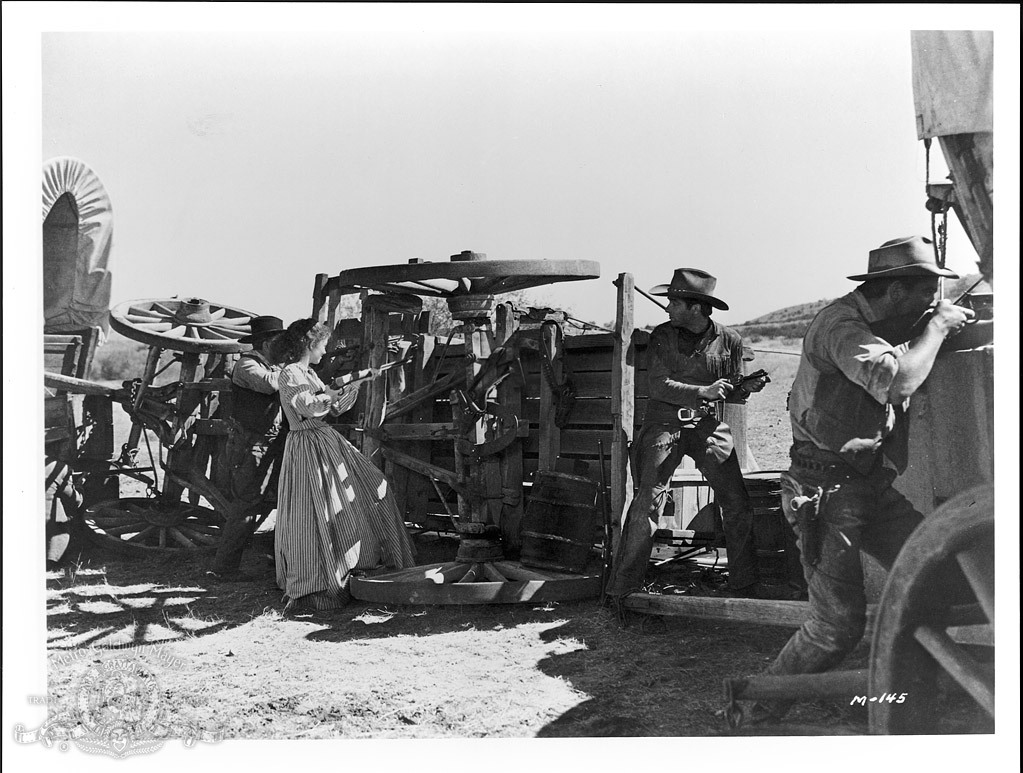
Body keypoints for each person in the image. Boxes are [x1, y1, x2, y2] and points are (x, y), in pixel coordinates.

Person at [749, 236, 974, 723]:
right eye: (925, 295)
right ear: (894, 292)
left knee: (934, 582)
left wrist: (933, 326)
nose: (932, 304)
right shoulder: (842, 327)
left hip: (868, 485)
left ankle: (898, 700)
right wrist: (936, 327)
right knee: (835, 626)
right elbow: (896, 383)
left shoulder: (886, 323)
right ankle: (752, 710)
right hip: (824, 490)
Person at [605, 268, 778, 618]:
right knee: (647, 504)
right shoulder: (662, 337)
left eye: (674, 301)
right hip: (664, 425)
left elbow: (731, 392)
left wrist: (745, 388)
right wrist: (703, 391)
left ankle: (744, 584)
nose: (667, 307)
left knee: (737, 501)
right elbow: (658, 385)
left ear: (696, 308)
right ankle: (622, 591)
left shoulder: (730, 340)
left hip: (706, 426)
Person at [272, 318, 416, 611]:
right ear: (310, 344)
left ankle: (356, 564)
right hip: (307, 446)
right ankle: (319, 580)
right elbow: (310, 408)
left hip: (324, 441)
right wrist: (332, 392)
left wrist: (356, 383)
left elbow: (335, 408)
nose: (325, 351)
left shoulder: (308, 373)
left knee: (369, 489)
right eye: (323, 345)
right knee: (312, 512)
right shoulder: (290, 373)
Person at [210, 315, 287, 581]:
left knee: (271, 503)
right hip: (252, 447)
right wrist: (296, 369)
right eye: (280, 341)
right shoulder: (246, 365)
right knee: (245, 509)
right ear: (266, 343)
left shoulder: (273, 365)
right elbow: (271, 385)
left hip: (270, 443)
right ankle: (224, 569)